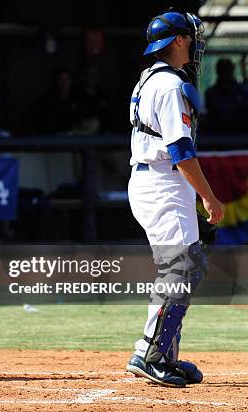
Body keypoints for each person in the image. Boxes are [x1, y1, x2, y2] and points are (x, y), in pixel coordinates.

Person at [125, 11, 225, 388]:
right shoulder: (168, 84)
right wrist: (209, 198)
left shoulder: (152, 77)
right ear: (178, 41)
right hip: (162, 182)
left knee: (185, 267)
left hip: (162, 182)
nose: (197, 44)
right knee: (182, 269)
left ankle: (163, 353)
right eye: (192, 37)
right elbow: (181, 150)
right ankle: (150, 355)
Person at [204, 58, 248, 133]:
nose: (225, 73)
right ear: (218, 71)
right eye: (223, 70)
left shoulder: (241, 91)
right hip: (218, 132)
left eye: (228, 70)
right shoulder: (211, 92)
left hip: (240, 132)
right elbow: (214, 113)